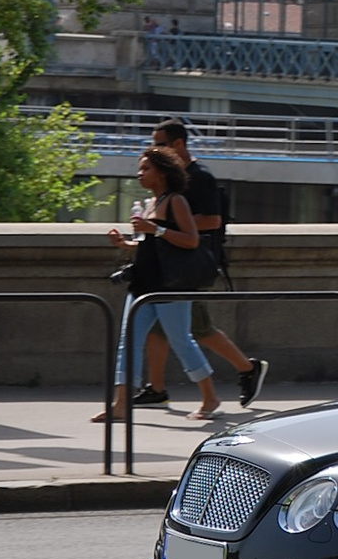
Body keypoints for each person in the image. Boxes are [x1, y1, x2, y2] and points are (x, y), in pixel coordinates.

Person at [131, 118, 269, 409]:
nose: (155, 149)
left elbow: (212, 220)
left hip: (186, 265)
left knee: (196, 328)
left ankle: (245, 369)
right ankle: (156, 388)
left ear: (179, 144)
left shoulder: (199, 177)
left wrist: (169, 224)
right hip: (165, 263)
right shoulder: (171, 179)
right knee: (162, 328)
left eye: (161, 144)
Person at [93, 146, 221, 421]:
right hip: (143, 284)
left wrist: (158, 229)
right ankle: (120, 405)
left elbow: (191, 240)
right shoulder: (151, 203)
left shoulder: (176, 201)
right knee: (128, 342)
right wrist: (125, 245)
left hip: (169, 286)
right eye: (140, 169)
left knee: (181, 341)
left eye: (146, 169)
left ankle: (210, 398)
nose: (140, 174)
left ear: (162, 173)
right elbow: (149, 247)